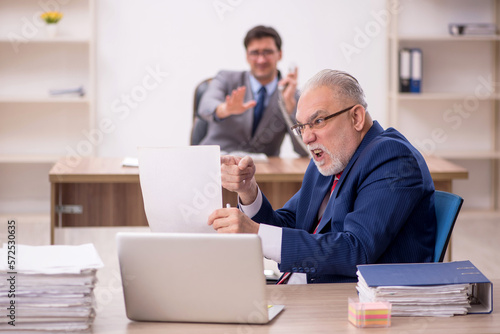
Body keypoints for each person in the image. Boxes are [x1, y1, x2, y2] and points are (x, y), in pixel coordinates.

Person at [208, 69, 437, 284]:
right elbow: (288, 224)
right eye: (301, 127)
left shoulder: (392, 158)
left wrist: (256, 232)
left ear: (356, 117)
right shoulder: (331, 159)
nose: (306, 138)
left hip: (350, 304)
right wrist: (248, 191)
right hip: (303, 290)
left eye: (317, 121)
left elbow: (356, 250)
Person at [197, 25, 308, 157]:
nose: (261, 60)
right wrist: (225, 109)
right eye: (254, 53)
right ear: (247, 56)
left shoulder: (292, 94)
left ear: (280, 54)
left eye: (268, 52)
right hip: (218, 164)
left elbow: (304, 150)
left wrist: (290, 111)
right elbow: (205, 107)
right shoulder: (226, 78)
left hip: (262, 173)